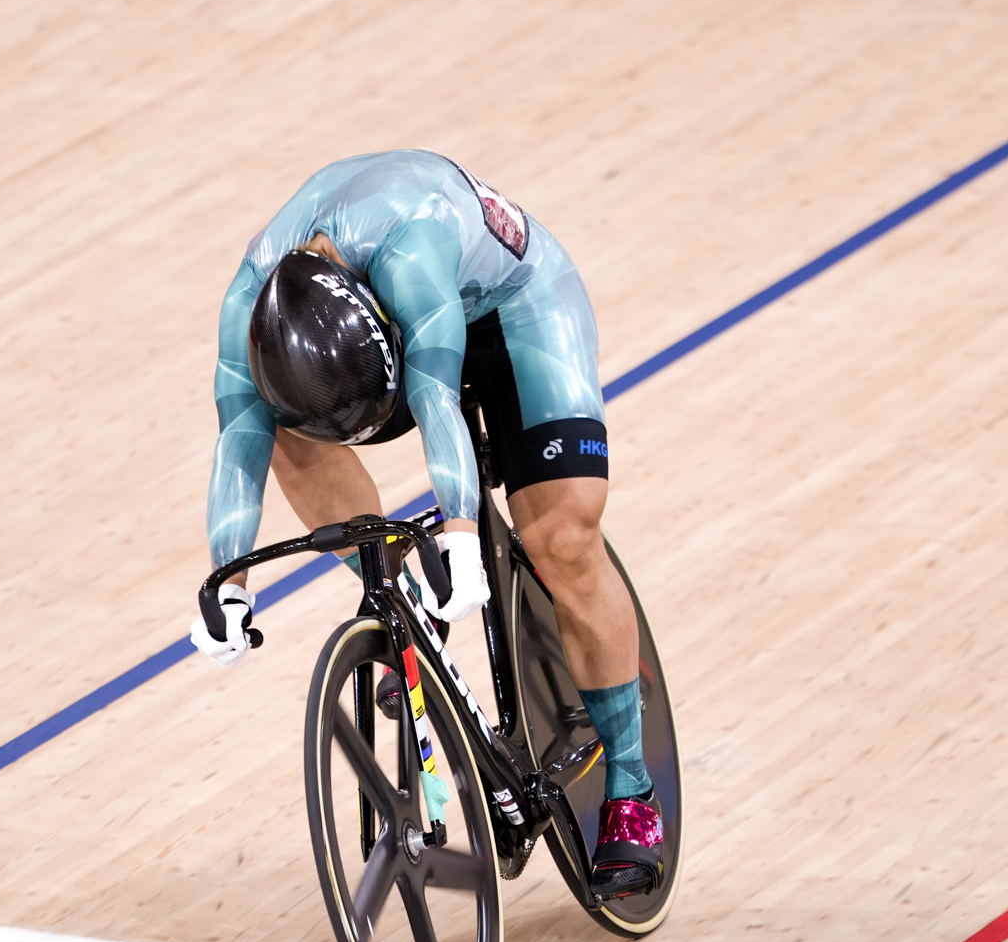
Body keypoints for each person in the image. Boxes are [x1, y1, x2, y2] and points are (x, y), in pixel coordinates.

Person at [187, 149, 662, 898]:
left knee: (561, 538)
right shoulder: (248, 311)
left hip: (517, 309)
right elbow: (239, 439)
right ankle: (407, 597)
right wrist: (230, 581)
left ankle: (633, 791)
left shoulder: (412, 241)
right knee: (283, 432)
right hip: (385, 340)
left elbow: (434, 394)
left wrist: (465, 535)